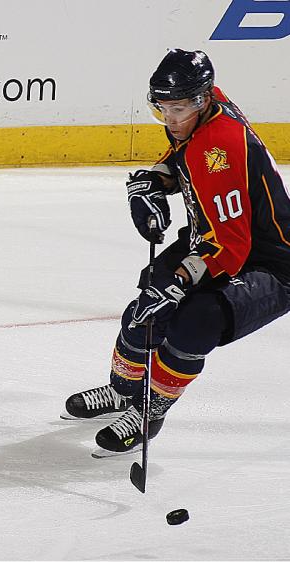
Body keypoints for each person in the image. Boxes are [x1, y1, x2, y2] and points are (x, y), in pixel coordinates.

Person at [62, 49, 290, 457]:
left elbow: (232, 247)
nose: (170, 119)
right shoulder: (203, 109)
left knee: (195, 320)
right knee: (145, 305)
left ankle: (150, 410)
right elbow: (185, 156)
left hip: (271, 263)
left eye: (178, 109)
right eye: (161, 108)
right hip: (212, 237)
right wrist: (155, 179)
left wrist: (181, 280)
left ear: (202, 101)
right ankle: (123, 391)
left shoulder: (216, 148)